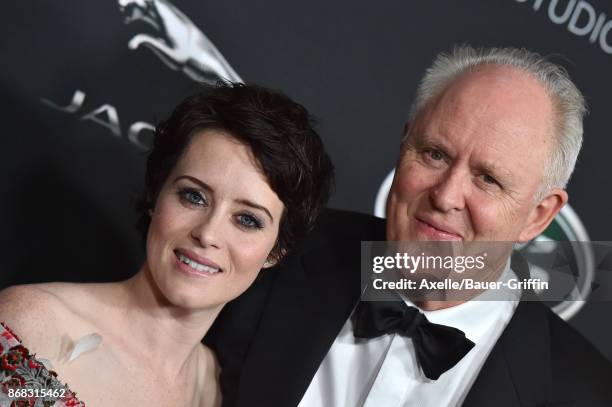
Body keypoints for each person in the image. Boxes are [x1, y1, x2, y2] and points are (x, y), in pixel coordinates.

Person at [206, 46, 612, 407]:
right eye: (434, 154)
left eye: (487, 179)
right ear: (404, 144)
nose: (446, 196)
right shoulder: (275, 250)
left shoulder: (583, 392)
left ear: (539, 215)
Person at [0, 82, 334, 406]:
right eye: (193, 196)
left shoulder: (216, 392)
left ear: (276, 251)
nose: (208, 234)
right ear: (155, 194)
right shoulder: (34, 326)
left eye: (247, 219)